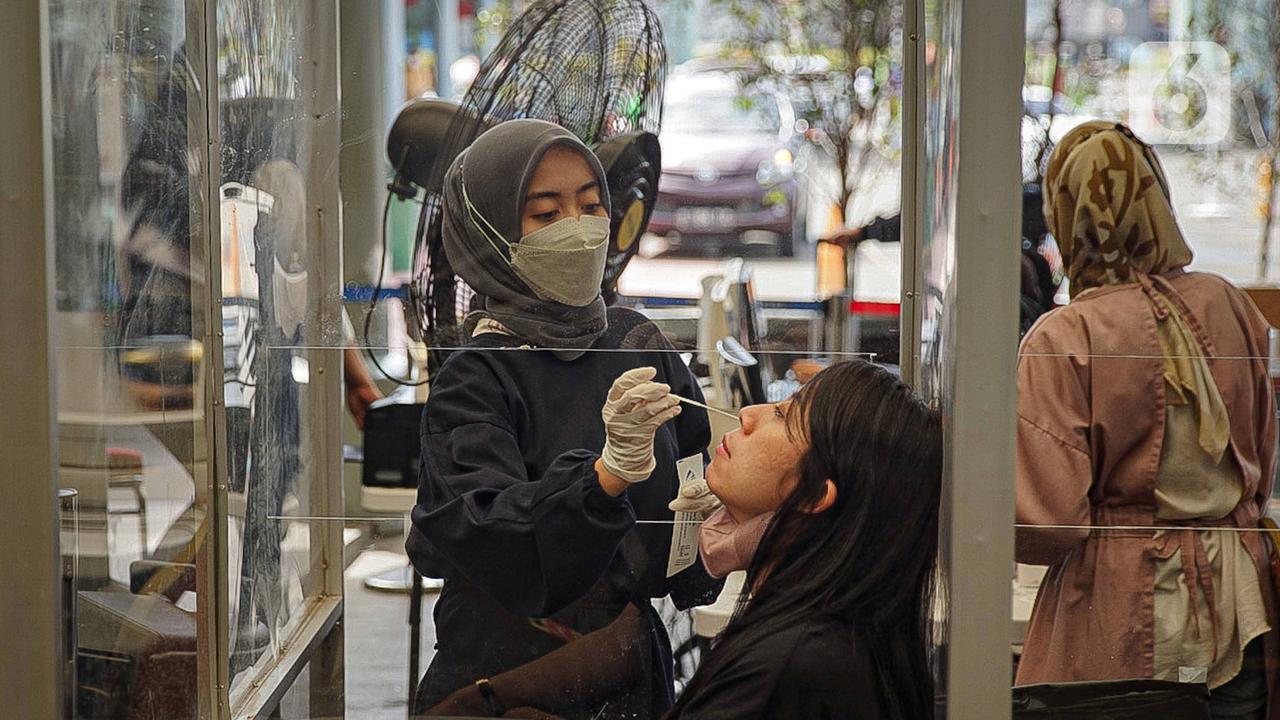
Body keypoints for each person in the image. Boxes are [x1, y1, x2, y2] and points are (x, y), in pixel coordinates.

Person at [407, 119, 722, 719]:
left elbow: (689, 507)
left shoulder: (635, 341)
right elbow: (488, 532)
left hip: (622, 671)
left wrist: (715, 531)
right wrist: (605, 476)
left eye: (591, 205)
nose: (577, 230)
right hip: (510, 678)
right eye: (546, 215)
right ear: (492, 234)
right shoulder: (477, 377)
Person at [1016, 121, 1279, 718]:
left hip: (1119, 615)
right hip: (1240, 609)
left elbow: (1045, 524)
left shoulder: (1066, 335)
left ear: (1065, 211)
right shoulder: (1228, 302)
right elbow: (1260, 466)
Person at [669, 359, 942, 719]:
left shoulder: (785, 668)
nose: (748, 415)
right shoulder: (843, 635)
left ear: (812, 495)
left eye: (783, 415)